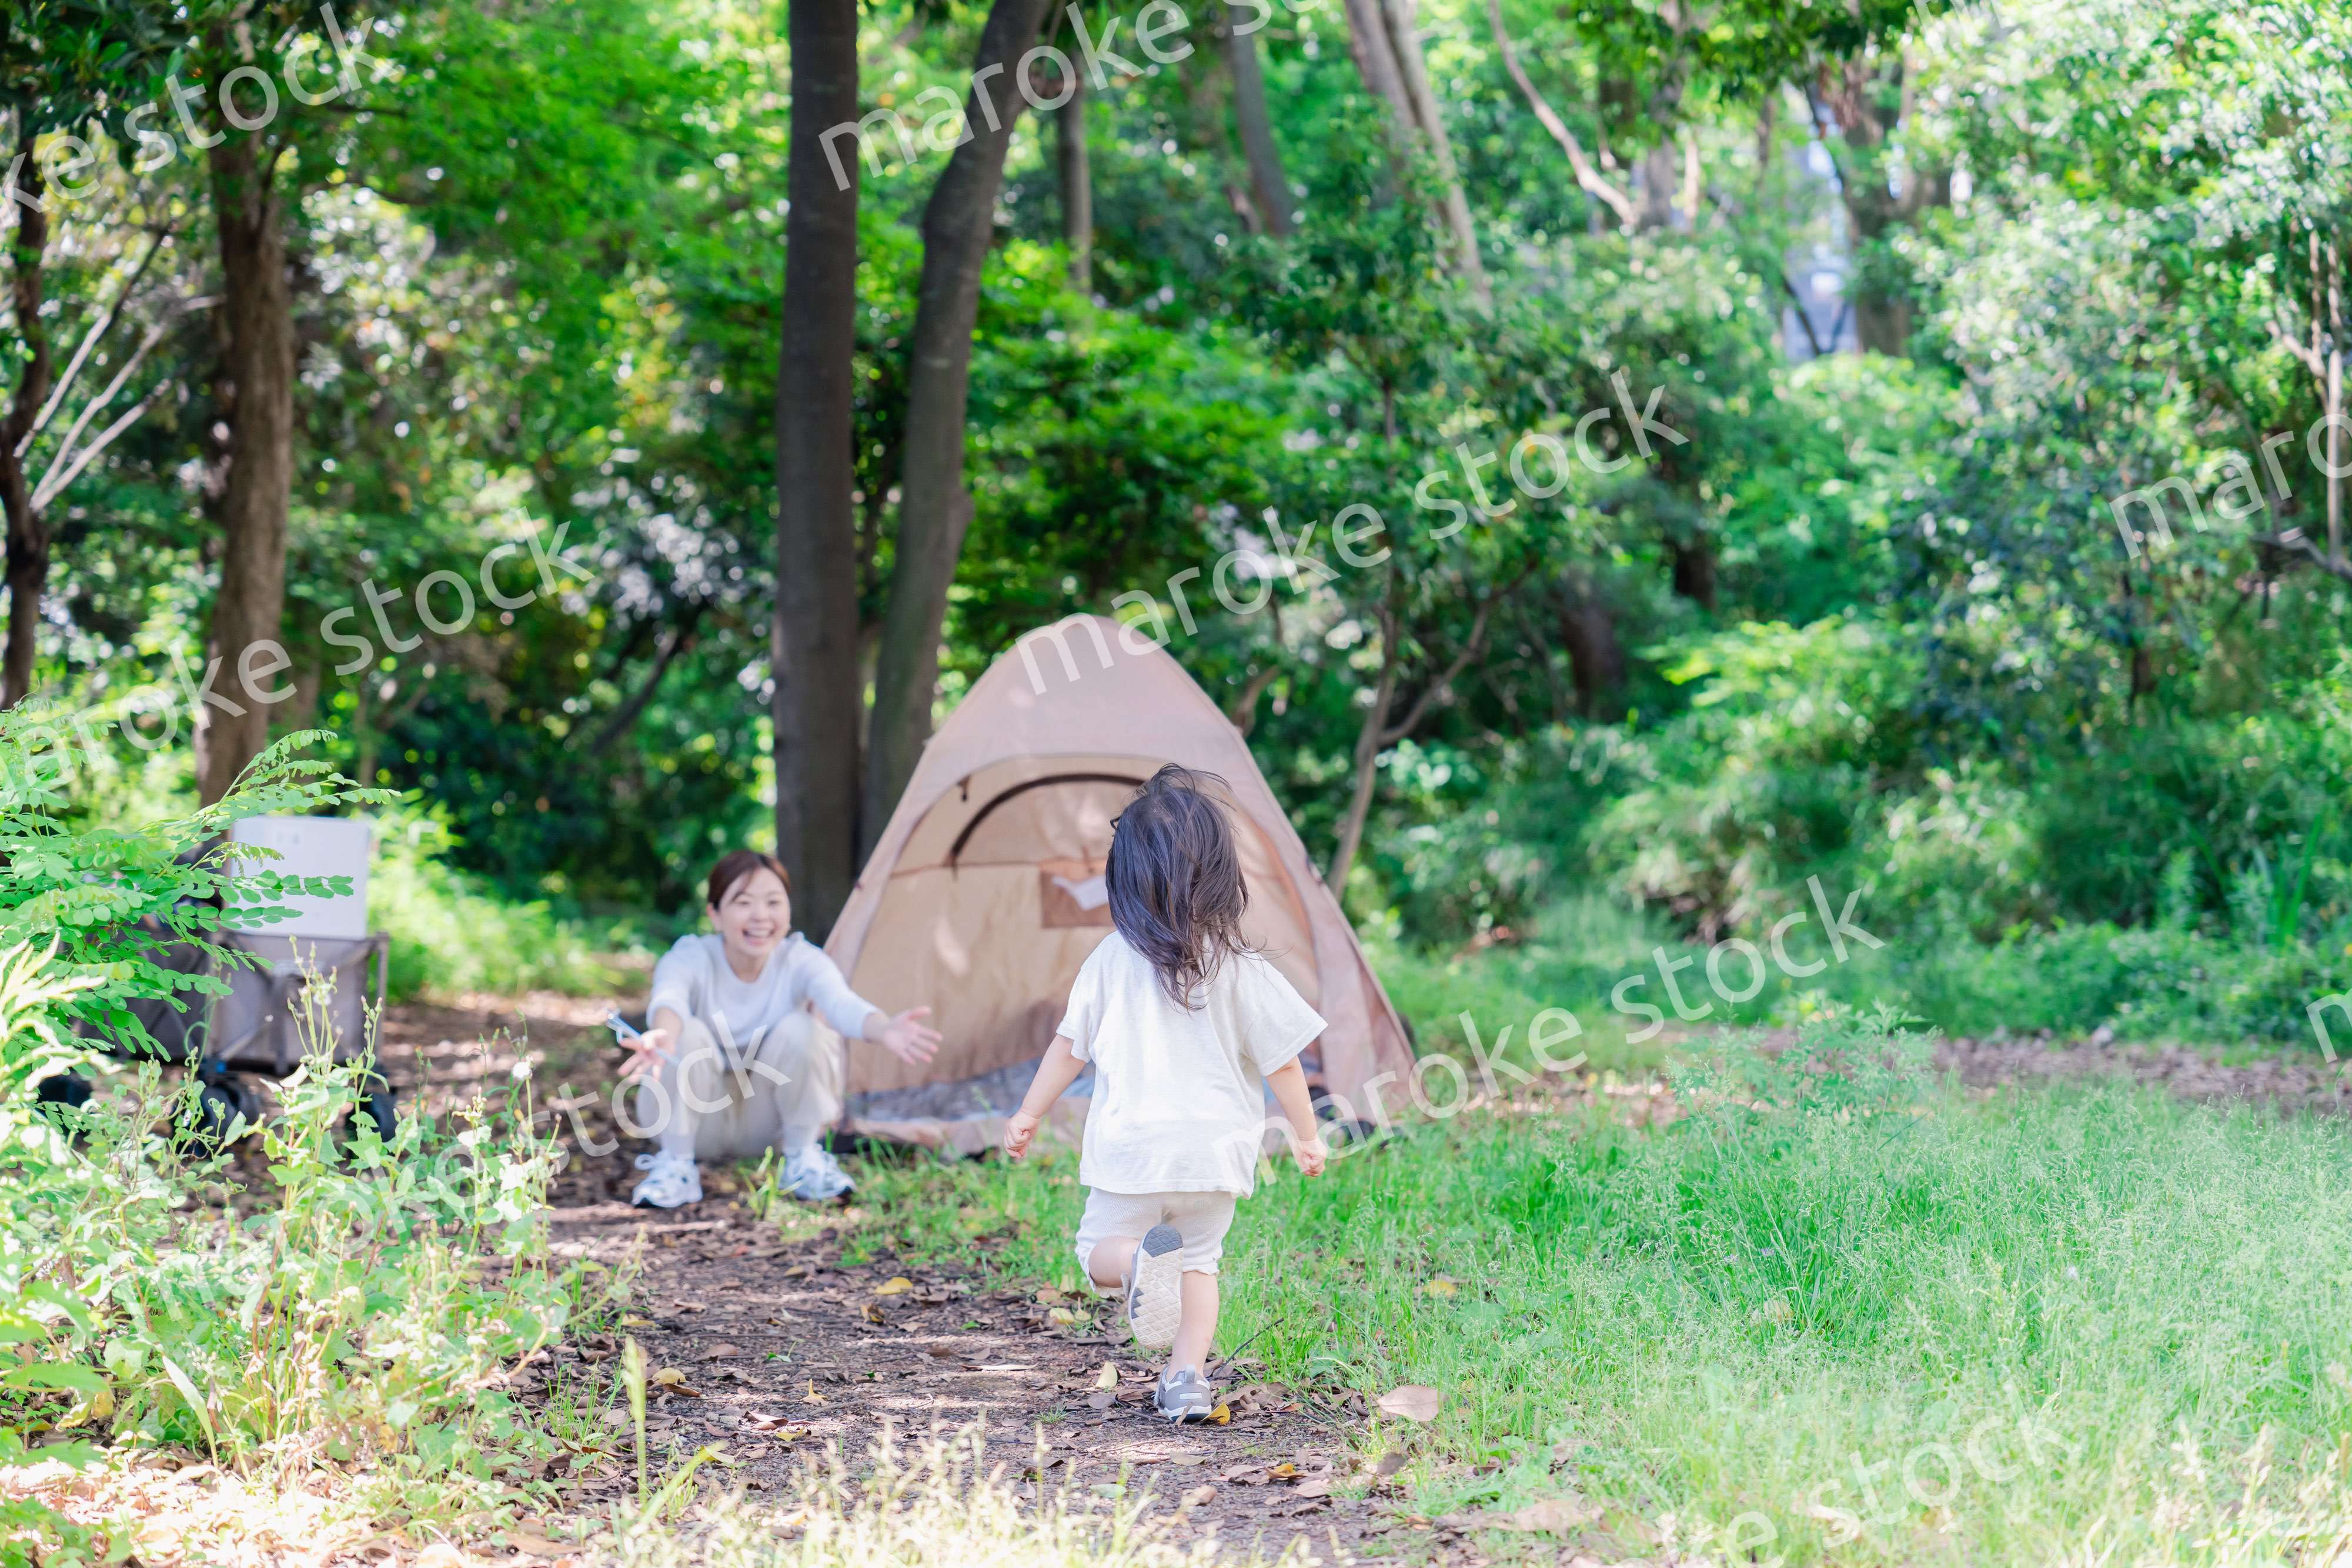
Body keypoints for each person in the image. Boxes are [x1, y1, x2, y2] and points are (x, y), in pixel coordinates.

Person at [1003, 765, 1329, 1422]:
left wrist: (1028, 1113)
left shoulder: (1108, 960)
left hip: (1133, 1155)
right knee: (1199, 1265)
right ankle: (1185, 1380)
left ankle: (1132, 1270)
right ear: (1222, 875)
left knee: (1093, 1256)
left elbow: (1069, 1048)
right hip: (1214, 1159)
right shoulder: (1242, 968)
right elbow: (1285, 1064)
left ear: (1123, 881)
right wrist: (1306, 1134)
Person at [620, 850, 940, 1208]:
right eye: (743, 902)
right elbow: (670, 997)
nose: (761, 916)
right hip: (695, 1125)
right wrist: (664, 1032)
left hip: (770, 1126)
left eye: (773, 902)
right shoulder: (691, 955)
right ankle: (676, 1168)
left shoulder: (801, 959)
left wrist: (883, 1029)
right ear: (715, 914)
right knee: (686, 1034)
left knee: (805, 1028)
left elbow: (839, 1002)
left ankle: (803, 1160)